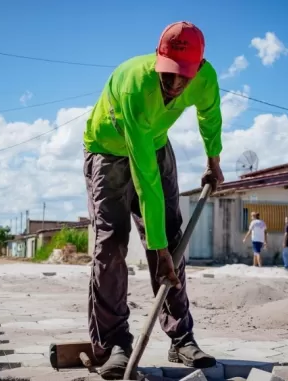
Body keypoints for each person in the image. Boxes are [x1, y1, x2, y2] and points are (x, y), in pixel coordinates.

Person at [83, 21, 224, 379]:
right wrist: (156, 250)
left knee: (172, 239)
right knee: (112, 243)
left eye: (184, 78)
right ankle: (114, 344)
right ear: (158, 60)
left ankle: (181, 338)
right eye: (168, 76)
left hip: (156, 145)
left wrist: (214, 160)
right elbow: (144, 178)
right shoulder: (135, 87)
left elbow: (209, 115)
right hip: (108, 150)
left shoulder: (205, 79)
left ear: (198, 70)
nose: (175, 86)